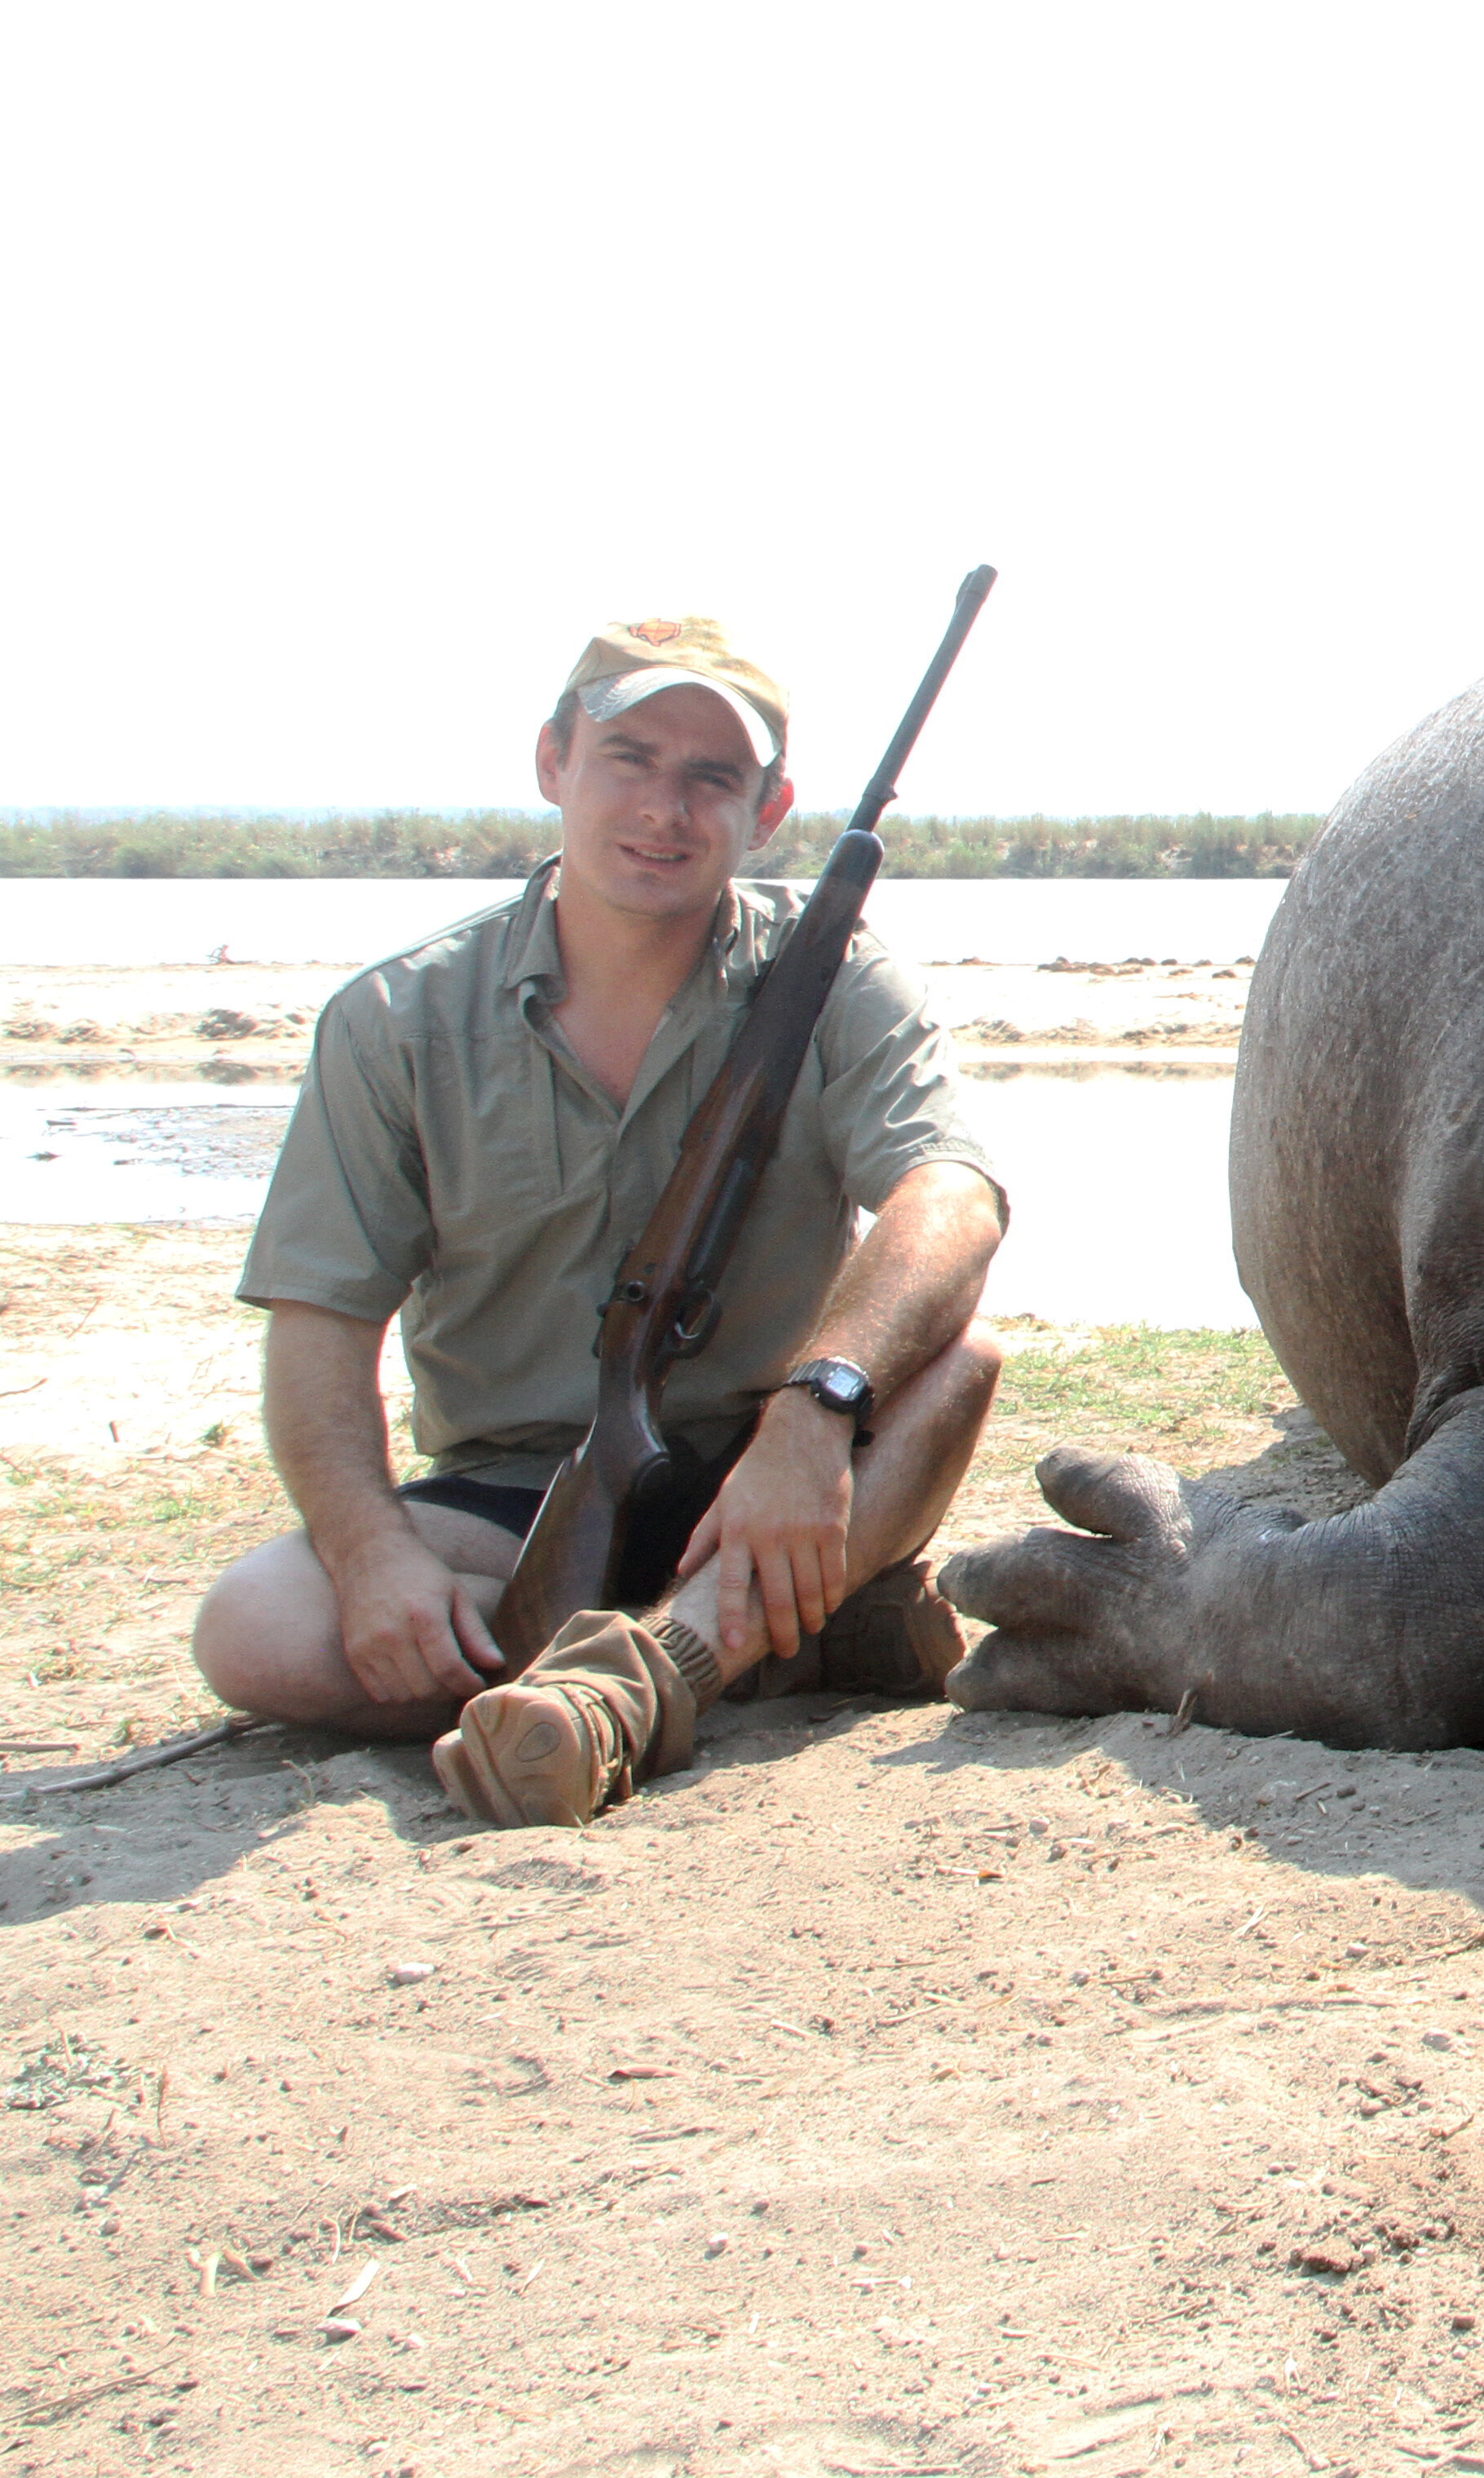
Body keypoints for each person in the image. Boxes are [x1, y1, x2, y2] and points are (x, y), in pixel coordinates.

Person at [192, 617, 1009, 1828]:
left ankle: (643, 1684)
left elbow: (951, 1196)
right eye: (629, 759)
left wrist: (813, 1410)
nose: (664, 809)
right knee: (253, 1631)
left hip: (767, 1491)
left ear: (769, 811)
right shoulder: (391, 1019)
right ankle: (777, 1645)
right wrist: (374, 1562)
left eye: (710, 779)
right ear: (551, 763)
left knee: (959, 1368)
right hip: (508, 1500)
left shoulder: (837, 978)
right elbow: (320, 1326)